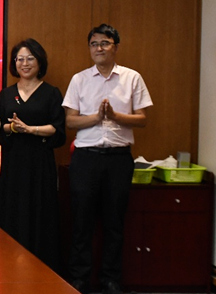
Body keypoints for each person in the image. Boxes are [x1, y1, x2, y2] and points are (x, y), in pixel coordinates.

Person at [63, 24, 152, 294]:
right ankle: (79, 278)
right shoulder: (80, 79)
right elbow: (70, 121)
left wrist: (114, 116)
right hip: (86, 159)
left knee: (115, 222)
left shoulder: (132, 78)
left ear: (116, 47)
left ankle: (111, 280)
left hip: (118, 159)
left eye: (105, 43)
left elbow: (142, 119)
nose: (99, 48)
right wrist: (97, 118)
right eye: (94, 44)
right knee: (82, 222)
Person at [0, 39, 65, 271]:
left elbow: (58, 129)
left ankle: (42, 269)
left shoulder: (51, 93)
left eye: (30, 58)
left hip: (40, 163)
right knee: (13, 211)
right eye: (20, 59)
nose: (24, 63)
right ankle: (10, 266)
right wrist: (14, 128)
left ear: (39, 61)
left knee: (40, 211)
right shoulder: (6, 94)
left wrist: (31, 129)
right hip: (13, 163)